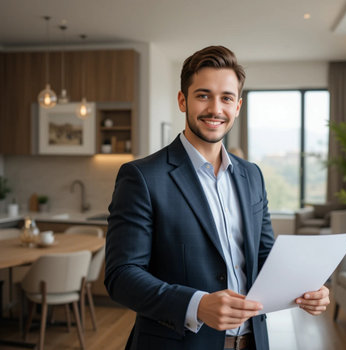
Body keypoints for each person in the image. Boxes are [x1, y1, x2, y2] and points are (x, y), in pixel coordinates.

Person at [105, 45, 330, 350]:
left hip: (253, 341)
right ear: (183, 100)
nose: (215, 109)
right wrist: (196, 305)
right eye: (203, 95)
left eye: (226, 98)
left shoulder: (252, 176)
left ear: (237, 106)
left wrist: (306, 288)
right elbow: (122, 275)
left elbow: (263, 257)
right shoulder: (142, 177)